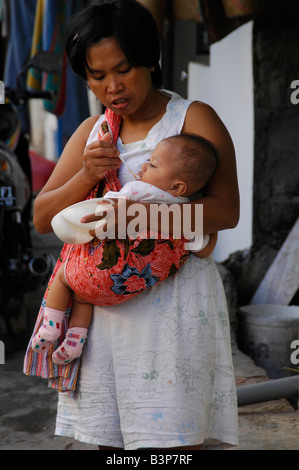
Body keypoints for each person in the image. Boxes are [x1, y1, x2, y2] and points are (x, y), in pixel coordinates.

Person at [24, 0, 240, 450]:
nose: (112, 87)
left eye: (123, 69)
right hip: (104, 314)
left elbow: (226, 210)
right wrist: (86, 176)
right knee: (112, 443)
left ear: (150, 59)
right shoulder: (92, 133)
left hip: (174, 307)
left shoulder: (192, 120)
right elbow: (42, 217)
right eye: (97, 76)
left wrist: (136, 216)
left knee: (174, 442)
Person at [31, 132, 218, 366]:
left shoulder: (134, 193)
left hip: (111, 272)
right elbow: (203, 249)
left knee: (64, 277)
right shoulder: (187, 213)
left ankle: (51, 325)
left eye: (153, 164)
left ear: (178, 185)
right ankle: (73, 342)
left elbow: (101, 211)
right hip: (134, 287)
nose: (143, 166)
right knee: (83, 298)